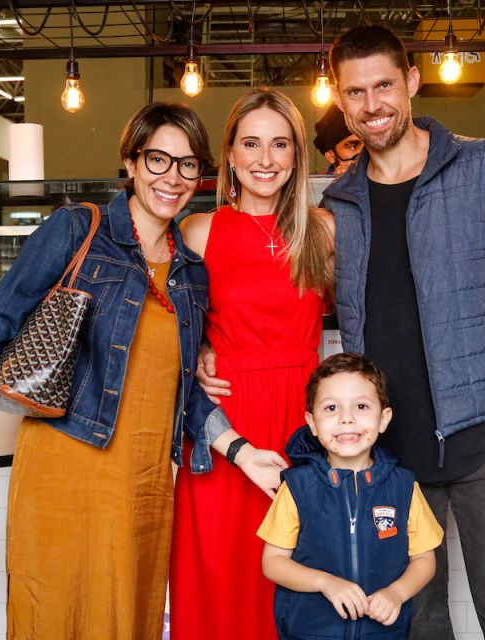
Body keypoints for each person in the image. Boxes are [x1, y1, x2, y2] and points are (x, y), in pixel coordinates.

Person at [0, 102, 283, 639]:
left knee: (127, 619)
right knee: (55, 615)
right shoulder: (78, 230)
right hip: (66, 468)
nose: (171, 178)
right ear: (130, 163)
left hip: (147, 483)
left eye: (186, 165)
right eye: (158, 160)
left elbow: (184, 391)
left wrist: (244, 453)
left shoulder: (190, 273)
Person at [322, 25, 485, 639]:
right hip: (393, 456)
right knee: (417, 623)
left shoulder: (480, 167)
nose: (372, 106)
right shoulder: (339, 203)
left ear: (412, 83)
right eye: (356, 93)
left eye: (384, 86)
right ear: (339, 100)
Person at [170, 88, 334, 640]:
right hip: (225, 425)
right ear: (231, 155)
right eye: (251, 144)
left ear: (296, 156)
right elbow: (168, 326)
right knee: (220, 574)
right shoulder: (199, 231)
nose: (265, 159)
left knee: (295, 574)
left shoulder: (323, 230)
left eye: (280, 144)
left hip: (301, 422)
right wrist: (194, 355)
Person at [259, 353, 443, 639]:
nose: (346, 418)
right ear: (312, 422)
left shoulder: (404, 487)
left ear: (383, 419)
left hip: (383, 632)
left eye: (361, 406)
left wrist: (397, 593)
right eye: (331, 408)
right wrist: (324, 582)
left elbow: (424, 560)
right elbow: (273, 562)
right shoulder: (297, 487)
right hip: (310, 631)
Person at [314, 104, 364, 176]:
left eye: (369, 145)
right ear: (330, 156)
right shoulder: (318, 186)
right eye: (353, 146)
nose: (364, 152)